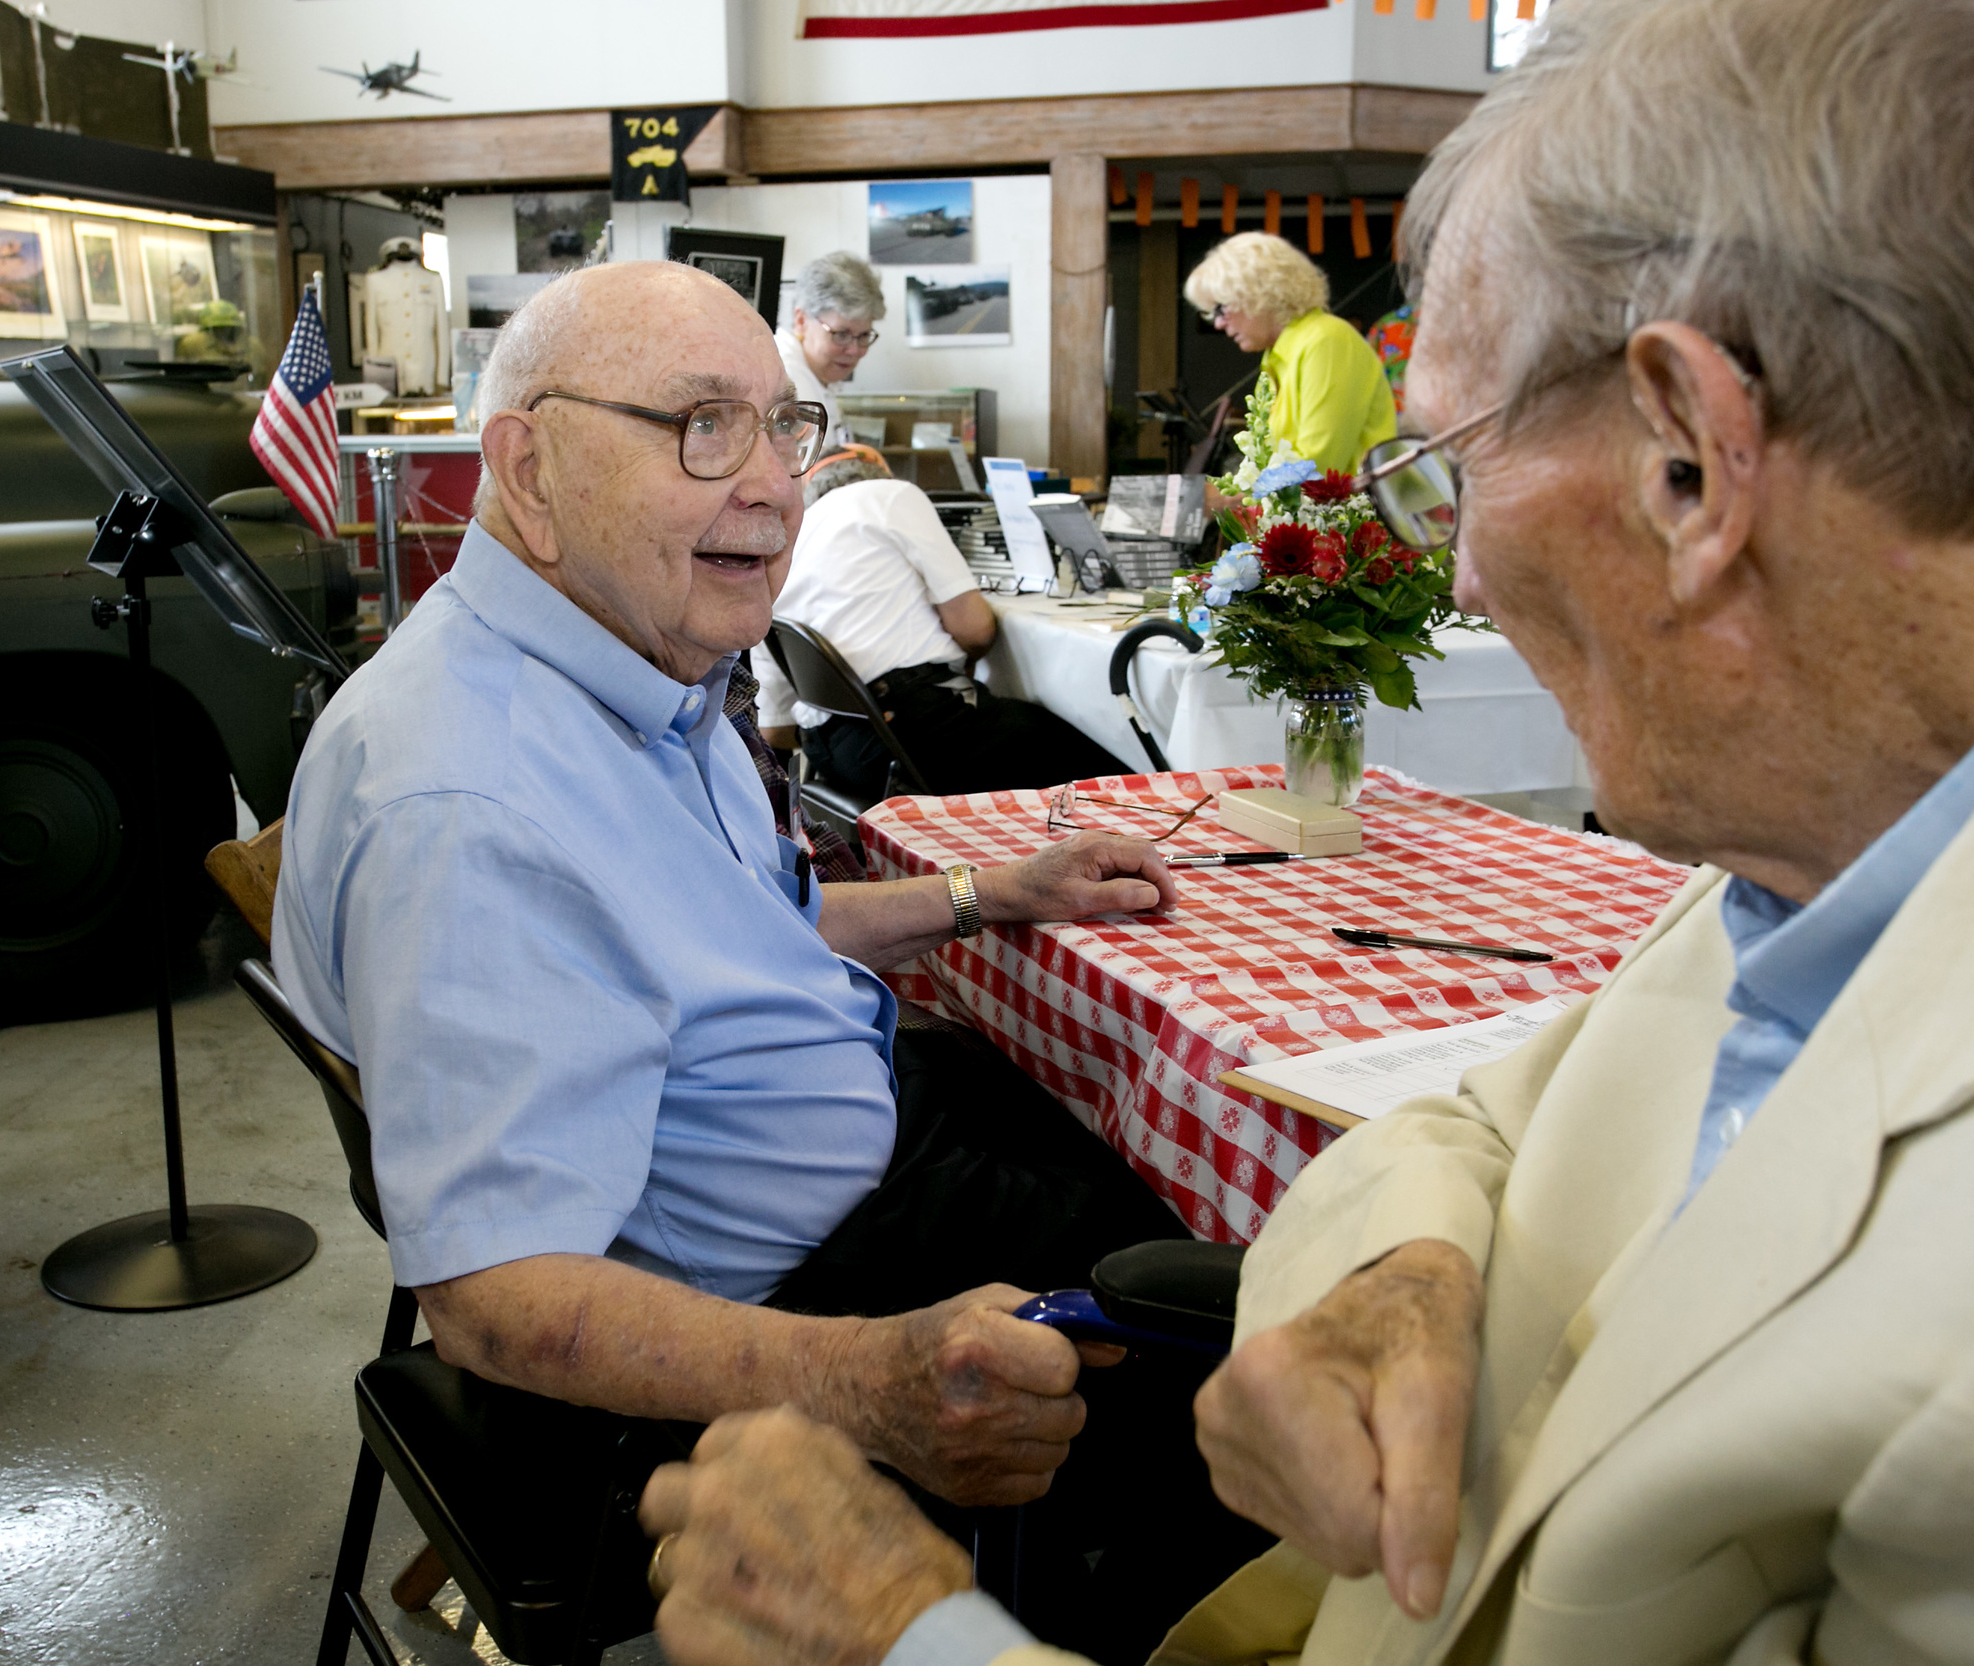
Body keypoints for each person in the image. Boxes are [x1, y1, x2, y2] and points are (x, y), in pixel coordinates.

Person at [633, 2, 1974, 1663]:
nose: (1457, 573)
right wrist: (1415, 1266)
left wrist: (913, 1640)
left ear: (1693, 458)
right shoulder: (1867, 809)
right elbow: (1506, 1112)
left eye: (1453, 466)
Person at [272, 260, 1261, 1662]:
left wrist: (989, 893)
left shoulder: (629, 668)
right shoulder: (467, 801)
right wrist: (865, 1383)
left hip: (867, 1150)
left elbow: (731, 933)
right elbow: (493, 1296)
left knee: (1162, 1175)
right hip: (806, 1293)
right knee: (1255, 1362)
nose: (776, 488)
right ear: (529, 468)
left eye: (782, 428)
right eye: (699, 427)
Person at [752, 447, 1134, 797]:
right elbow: (976, 629)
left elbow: (775, 731)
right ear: (879, 473)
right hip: (918, 735)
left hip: (834, 758)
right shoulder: (890, 495)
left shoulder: (785, 546)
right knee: (1110, 766)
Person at [1184, 231, 1396, 476]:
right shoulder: (1280, 354)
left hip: (1355, 511)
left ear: (1258, 293)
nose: (1219, 324)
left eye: (1220, 308)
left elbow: (1318, 468)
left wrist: (1227, 498)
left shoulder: (1325, 340)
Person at [776, 250, 885, 451]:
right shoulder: (787, 381)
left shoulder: (815, 374)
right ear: (801, 321)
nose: (854, 350)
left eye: (863, 336)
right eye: (841, 334)